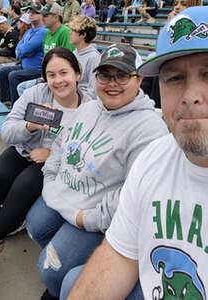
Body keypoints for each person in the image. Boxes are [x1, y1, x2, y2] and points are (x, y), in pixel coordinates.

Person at [64, 6, 208, 300]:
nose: (191, 95)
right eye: (175, 78)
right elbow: (119, 255)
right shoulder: (155, 157)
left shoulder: (146, 133)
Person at [25, 43, 168, 300]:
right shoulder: (88, 108)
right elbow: (59, 144)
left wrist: (86, 219)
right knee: (35, 226)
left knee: (52, 271)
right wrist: (49, 179)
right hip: (64, 193)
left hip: (93, 216)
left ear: (140, 79)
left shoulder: (150, 129)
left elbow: (131, 195)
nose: (112, 83)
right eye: (105, 75)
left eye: (122, 75)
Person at [0, 47, 90, 264]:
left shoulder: (89, 109)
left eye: (64, 73)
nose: (58, 81)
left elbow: (87, 151)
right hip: (25, 150)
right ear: (44, 78)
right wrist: (29, 126)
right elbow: (7, 132)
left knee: (23, 185)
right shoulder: (35, 94)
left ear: (77, 74)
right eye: (51, 75)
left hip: (55, 164)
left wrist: (52, 154)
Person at [16, 2, 75, 97]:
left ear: (56, 17)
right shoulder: (47, 34)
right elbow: (45, 59)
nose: (42, 18)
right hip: (46, 76)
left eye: (46, 15)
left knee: (22, 86)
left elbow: (69, 62)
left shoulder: (65, 33)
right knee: (21, 87)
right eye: (42, 15)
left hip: (59, 79)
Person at [0, 9, 46, 105]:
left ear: (42, 16)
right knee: (2, 70)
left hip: (36, 69)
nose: (31, 14)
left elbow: (25, 49)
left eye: (35, 12)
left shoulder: (43, 31)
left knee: (13, 75)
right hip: (24, 65)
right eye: (30, 12)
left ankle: (16, 106)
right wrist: (23, 51)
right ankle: (5, 100)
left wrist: (23, 51)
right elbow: (18, 49)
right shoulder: (29, 32)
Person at [69, 15, 100, 99]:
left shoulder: (94, 57)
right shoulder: (74, 53)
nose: (69, 33)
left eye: (73, 31)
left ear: (83, 34)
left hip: (82, 102)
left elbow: (93, 92)